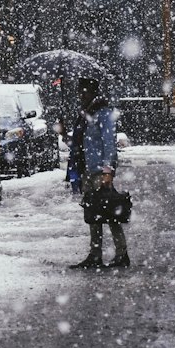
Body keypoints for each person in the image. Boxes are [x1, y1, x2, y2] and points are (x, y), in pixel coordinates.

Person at [70, 77, 130, 270]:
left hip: (99, 171)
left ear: (92, 92)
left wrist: (108, 170)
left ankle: (120, 254)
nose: (80, 95)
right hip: (88, 169)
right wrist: (64, 133)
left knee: (109, 213)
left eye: (84, 92)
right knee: (94, 213)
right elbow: (82, 142)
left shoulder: (103, 113)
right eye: (79, 92)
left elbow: (109, 142)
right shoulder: (87, 113)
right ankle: (96, 254)